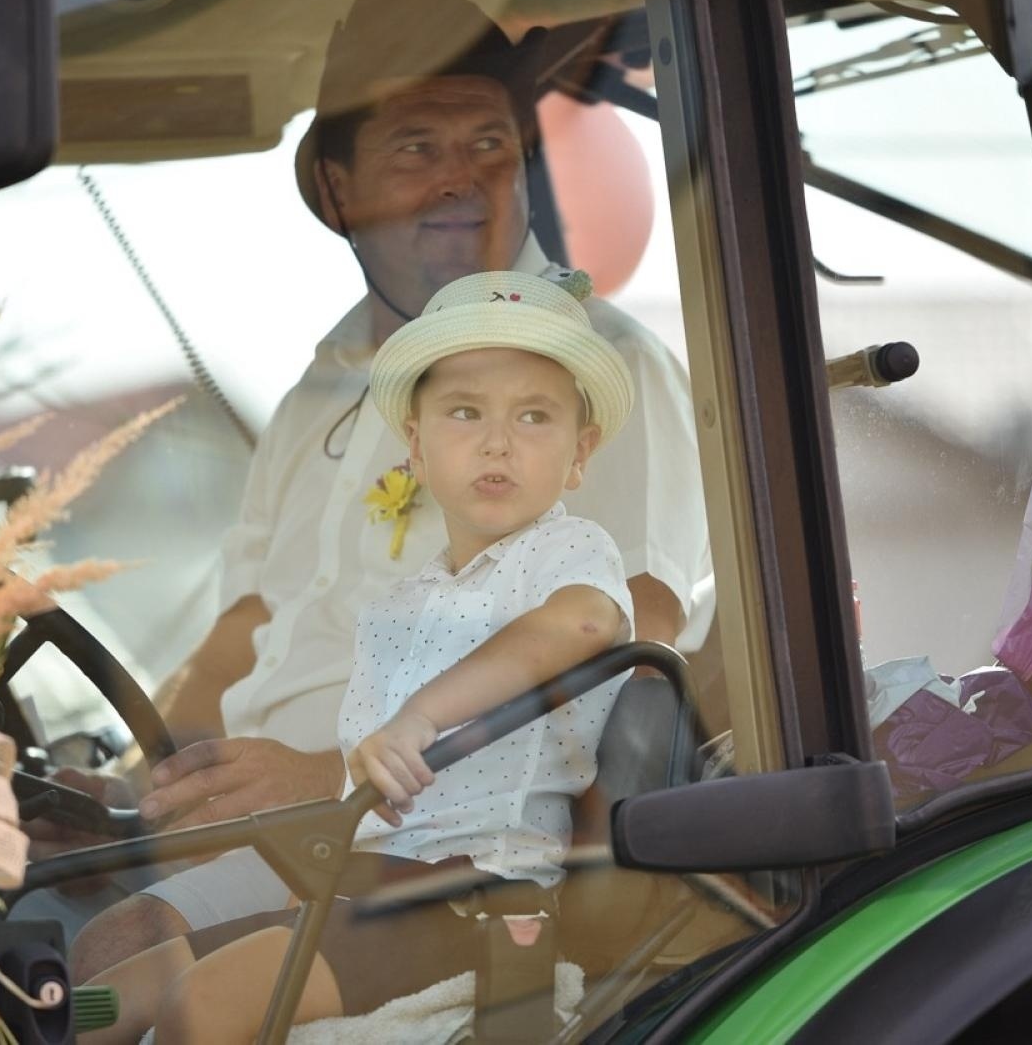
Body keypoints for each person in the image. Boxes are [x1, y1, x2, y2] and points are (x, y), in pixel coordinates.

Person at [62, 0, 709, 983]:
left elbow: (626, 650)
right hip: (272, 824)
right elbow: (241, 639)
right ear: (337, 189)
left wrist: (335, 774)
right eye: (417, 147)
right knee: (58, 939)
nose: (461, 179)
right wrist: (128, 788)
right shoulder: (314, 398)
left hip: (424, 840)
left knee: (160, 982)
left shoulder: (593, 375)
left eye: (489, 145)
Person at [84, 268, 638, 1043]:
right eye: (465, 412)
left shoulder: (569, 554)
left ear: (580, 454)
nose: (497, 441)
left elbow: (579, 629)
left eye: (535, 417)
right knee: (102, 997)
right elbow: (365, 794)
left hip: (471, 893)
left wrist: (422, 717)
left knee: (202, 1005)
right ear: (414, 444)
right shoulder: (402, 604)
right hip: (366, 881)